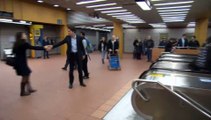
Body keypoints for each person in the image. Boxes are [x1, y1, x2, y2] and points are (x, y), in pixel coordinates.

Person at [12, 32, 48, 96]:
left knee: (27, 74)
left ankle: (29, 88)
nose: (25, 35)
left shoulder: (16, 44)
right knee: (25, 76)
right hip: (22, 63)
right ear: (21, 36)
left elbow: (13, 52)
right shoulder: (24, 44)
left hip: (18, 62)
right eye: (24, 34)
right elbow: (34, 47)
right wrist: (44, 47)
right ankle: (22, 92)